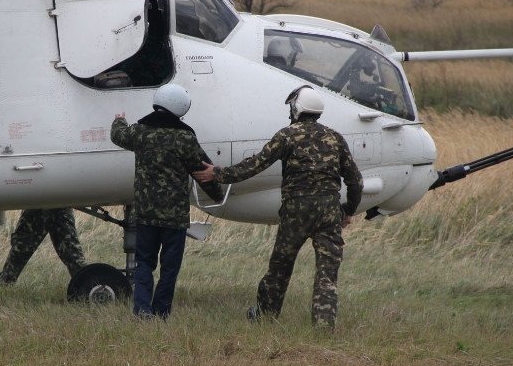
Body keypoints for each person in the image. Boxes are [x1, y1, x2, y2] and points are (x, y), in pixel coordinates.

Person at [193, 85, 363, 328]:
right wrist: (348, 211)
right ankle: (324, 327)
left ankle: (266, 316)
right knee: (327, 274)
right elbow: (356, 181)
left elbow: (255, 165)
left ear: (296, 108)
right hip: (328, 211)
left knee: (280, 268)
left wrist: (217, 174)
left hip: (295, 212)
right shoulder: (335, 137)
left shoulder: (286, 136)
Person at [110, 83, 222, 319]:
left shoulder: (140, 132)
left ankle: (142, 309)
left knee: (144, 263)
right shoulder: (185, 137)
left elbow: (118, 135)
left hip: (146, 214)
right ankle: (161, 312)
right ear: (182, 107)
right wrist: (218, 194)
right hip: (175, 217)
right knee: (170, 269)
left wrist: (119, 120)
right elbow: (202, 169)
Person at [0, 208, 86, 284]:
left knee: (22, 250)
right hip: (49, 203)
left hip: (46, 204)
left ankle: (87, 284)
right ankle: (87, 283)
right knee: (73, 254)